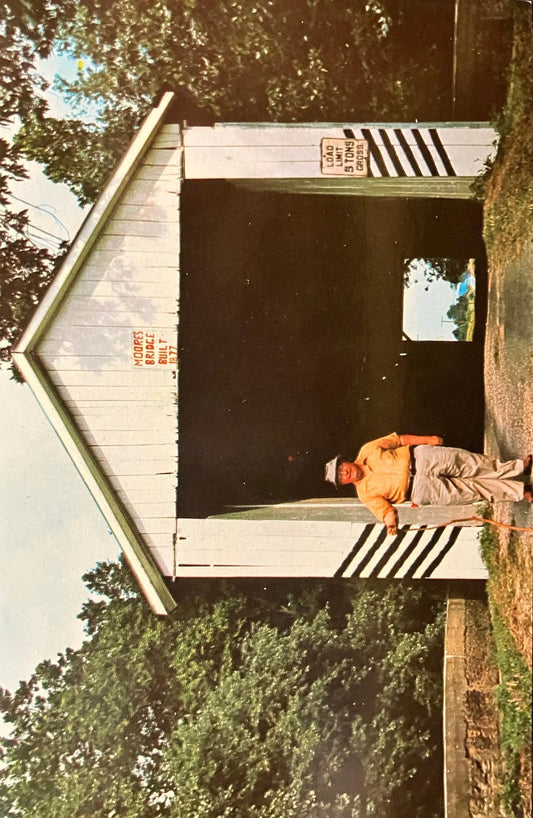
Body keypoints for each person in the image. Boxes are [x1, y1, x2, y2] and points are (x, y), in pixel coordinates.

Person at [324, 433, 533, 535]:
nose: (345, 472)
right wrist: (390, 525)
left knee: (471, 463)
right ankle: (520, 491)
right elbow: (386, 511)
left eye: (342, 468)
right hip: (421, 490)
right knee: (472, 490)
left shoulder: (367, 449)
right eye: (341, 477)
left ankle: (517, 468)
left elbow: (399, 439)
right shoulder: (366, 494)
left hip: (422, 459)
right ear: (344, 483)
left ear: (345, 461)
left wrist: (429, 439)